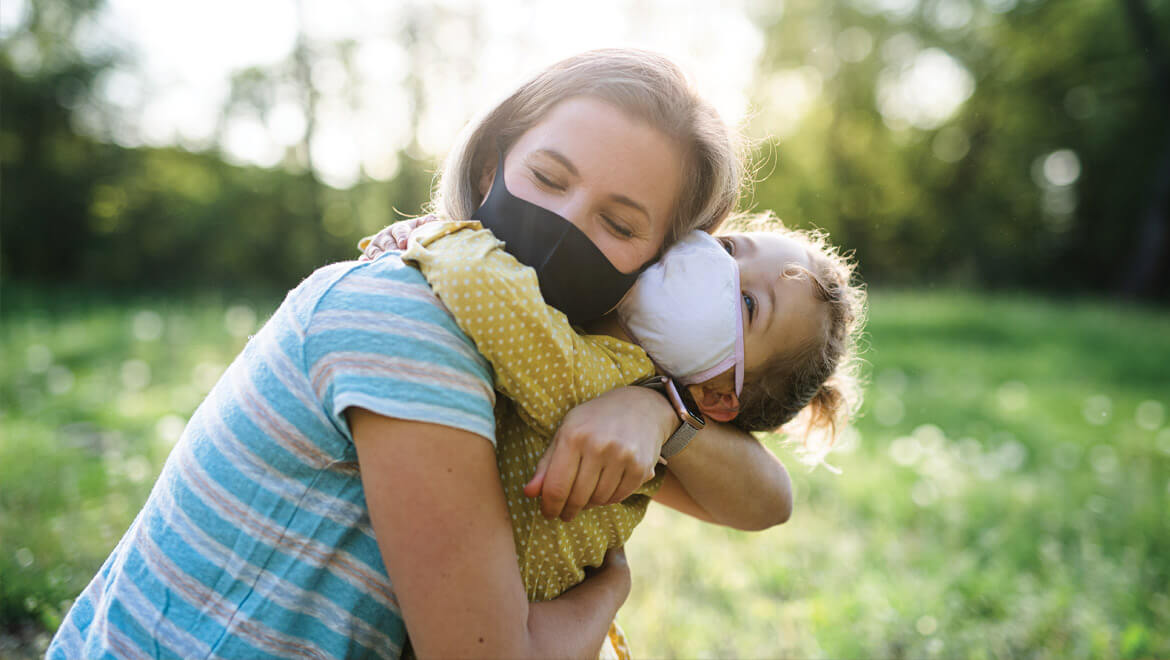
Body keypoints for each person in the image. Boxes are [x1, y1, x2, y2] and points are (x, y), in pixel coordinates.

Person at [48, 48, 796, 659]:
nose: (563, 221)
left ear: (654, 267)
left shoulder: (542, 363)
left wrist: (659, 411)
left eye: (619, 223)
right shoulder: (411, 317)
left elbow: (766, 500)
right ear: (488, 168)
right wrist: (608, 592)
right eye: (547, 177)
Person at [360, 203, 864, 656]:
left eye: (749, 304)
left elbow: (772, 501)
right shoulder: (604, 321)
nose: (718, 270)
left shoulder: (617, 376)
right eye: (730, 249)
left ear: (716, 396)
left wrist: (442, 235)